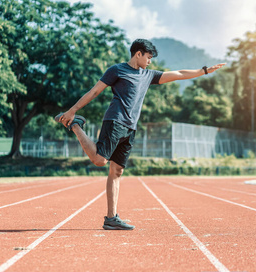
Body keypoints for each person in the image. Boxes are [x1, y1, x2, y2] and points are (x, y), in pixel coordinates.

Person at [55, 39, 225, 230]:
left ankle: (111, 218)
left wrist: (203, 71)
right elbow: (95, 91)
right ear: (138, 54)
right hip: (115, 120)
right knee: (100, 160)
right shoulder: (116, 70)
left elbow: (178, 74)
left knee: (117, 171)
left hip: (130, 127)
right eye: (149, 57)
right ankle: (76, 126)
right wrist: (72, 110)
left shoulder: (148, 75)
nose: (150, 62)